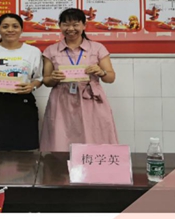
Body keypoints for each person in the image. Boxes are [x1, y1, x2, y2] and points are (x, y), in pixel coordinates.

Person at [40, 8, 118, 151]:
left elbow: (110, 78)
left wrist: (101, 72)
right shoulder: (51, 50)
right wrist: (54, 78)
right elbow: (46, 81)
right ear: (60, 26)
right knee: (61, 138)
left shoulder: (97, 48)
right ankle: (61, 165)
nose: (70, 29)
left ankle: (94, 164)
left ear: (84, 26)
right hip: (62, 100)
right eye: (66, 24)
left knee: (94, 137)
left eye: (75, 24)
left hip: (91, 99)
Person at [0, 13, 43, 150]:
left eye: (15, 26)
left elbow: (38, 78)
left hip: (23, 102)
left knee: (24, 148)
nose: (10, 30)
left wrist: (32, 86)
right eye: (5, 27)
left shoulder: (33, 52)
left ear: (21, 29)